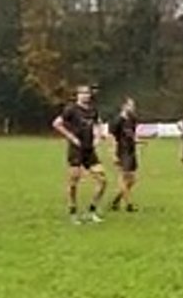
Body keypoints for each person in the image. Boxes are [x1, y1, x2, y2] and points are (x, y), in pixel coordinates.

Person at [52, 85, 107, 223]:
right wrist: (72, 138)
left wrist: (98, 137)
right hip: (76, 150)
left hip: (89, 150)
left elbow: (98, 124)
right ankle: (73, 211)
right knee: (73, 182)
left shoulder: (93, 110)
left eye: (87, 93)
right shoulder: (71, 109)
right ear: (77, 95)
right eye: (82, 93)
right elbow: (57, 124)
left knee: (102, 180)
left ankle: (92, 211)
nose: (85, 95)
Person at [108, 97, 140, 212]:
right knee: (123, 176)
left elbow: (131, 134)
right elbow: (111, 137)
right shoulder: (117, 120)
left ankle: (115, 201)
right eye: (130, 105)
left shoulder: (132, 119)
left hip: (131, 151)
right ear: (124, 106)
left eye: (133, 106)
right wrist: (113, 153)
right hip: (122, 151)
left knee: (132, 180)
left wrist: (137, 140)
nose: (133, 108)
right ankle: (129, 204)